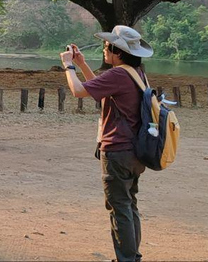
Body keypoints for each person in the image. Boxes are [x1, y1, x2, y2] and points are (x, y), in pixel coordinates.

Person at [60, 25, 154, 262]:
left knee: (119, 208)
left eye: (106, 46)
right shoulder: (135, 73)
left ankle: (127, 259)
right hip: (134, 153)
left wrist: (68, 66)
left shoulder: (119, 74)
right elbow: (99, 91)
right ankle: (133, 256)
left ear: (118, 51)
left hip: (117, 152)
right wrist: (82, 64)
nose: (104, 49)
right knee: (129, 205)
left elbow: (79, 91)